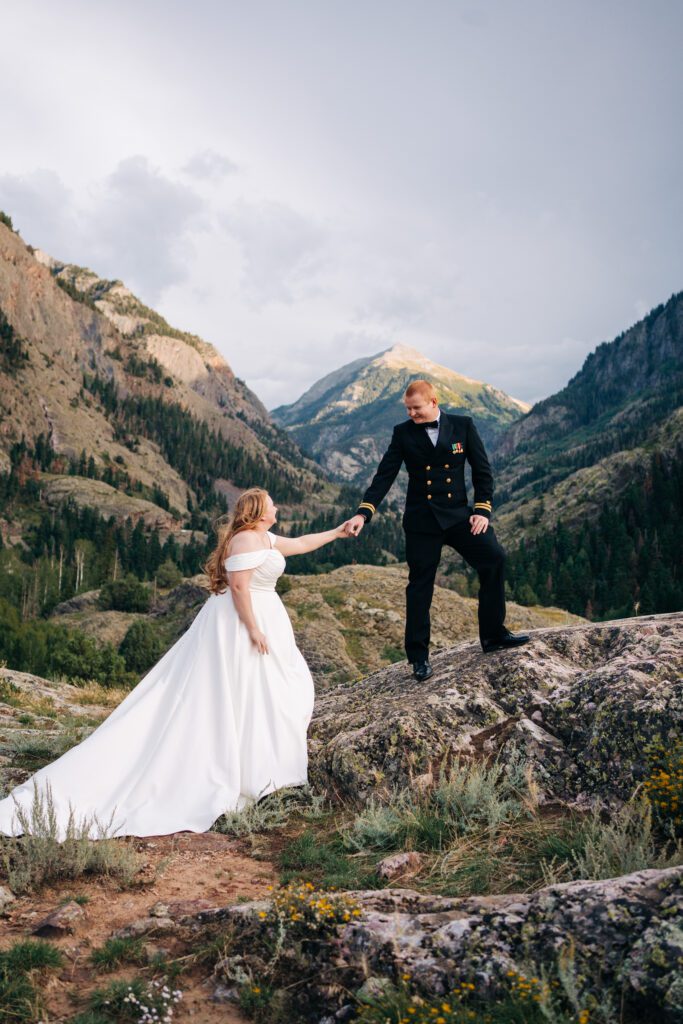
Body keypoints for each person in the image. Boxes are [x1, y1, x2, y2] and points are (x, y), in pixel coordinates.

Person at [0, 488, 349, 841]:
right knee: (239, 689)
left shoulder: (263, 537)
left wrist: (337, 532)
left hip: (264, 616)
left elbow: (302, 544)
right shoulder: (245, 541)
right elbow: (240, 589)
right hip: (243, 623)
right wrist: (254, 629)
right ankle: (241, 768)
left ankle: (260, 766)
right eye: (272, 503)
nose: (277, 506)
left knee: (265, 688)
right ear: (259, 511)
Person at [345, 379, 529, 681]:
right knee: (420, 586)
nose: (412, 414)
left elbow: (482, 471)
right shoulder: (402, 433)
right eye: (408, 409)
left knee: (494, 558)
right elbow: (384, 476)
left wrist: (482, 510)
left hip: (459, 516)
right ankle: (418, 657)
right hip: (421, 522)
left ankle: (494, 635)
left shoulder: (463, 426)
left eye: (416, 408)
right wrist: (364, 514)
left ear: (433, 402)